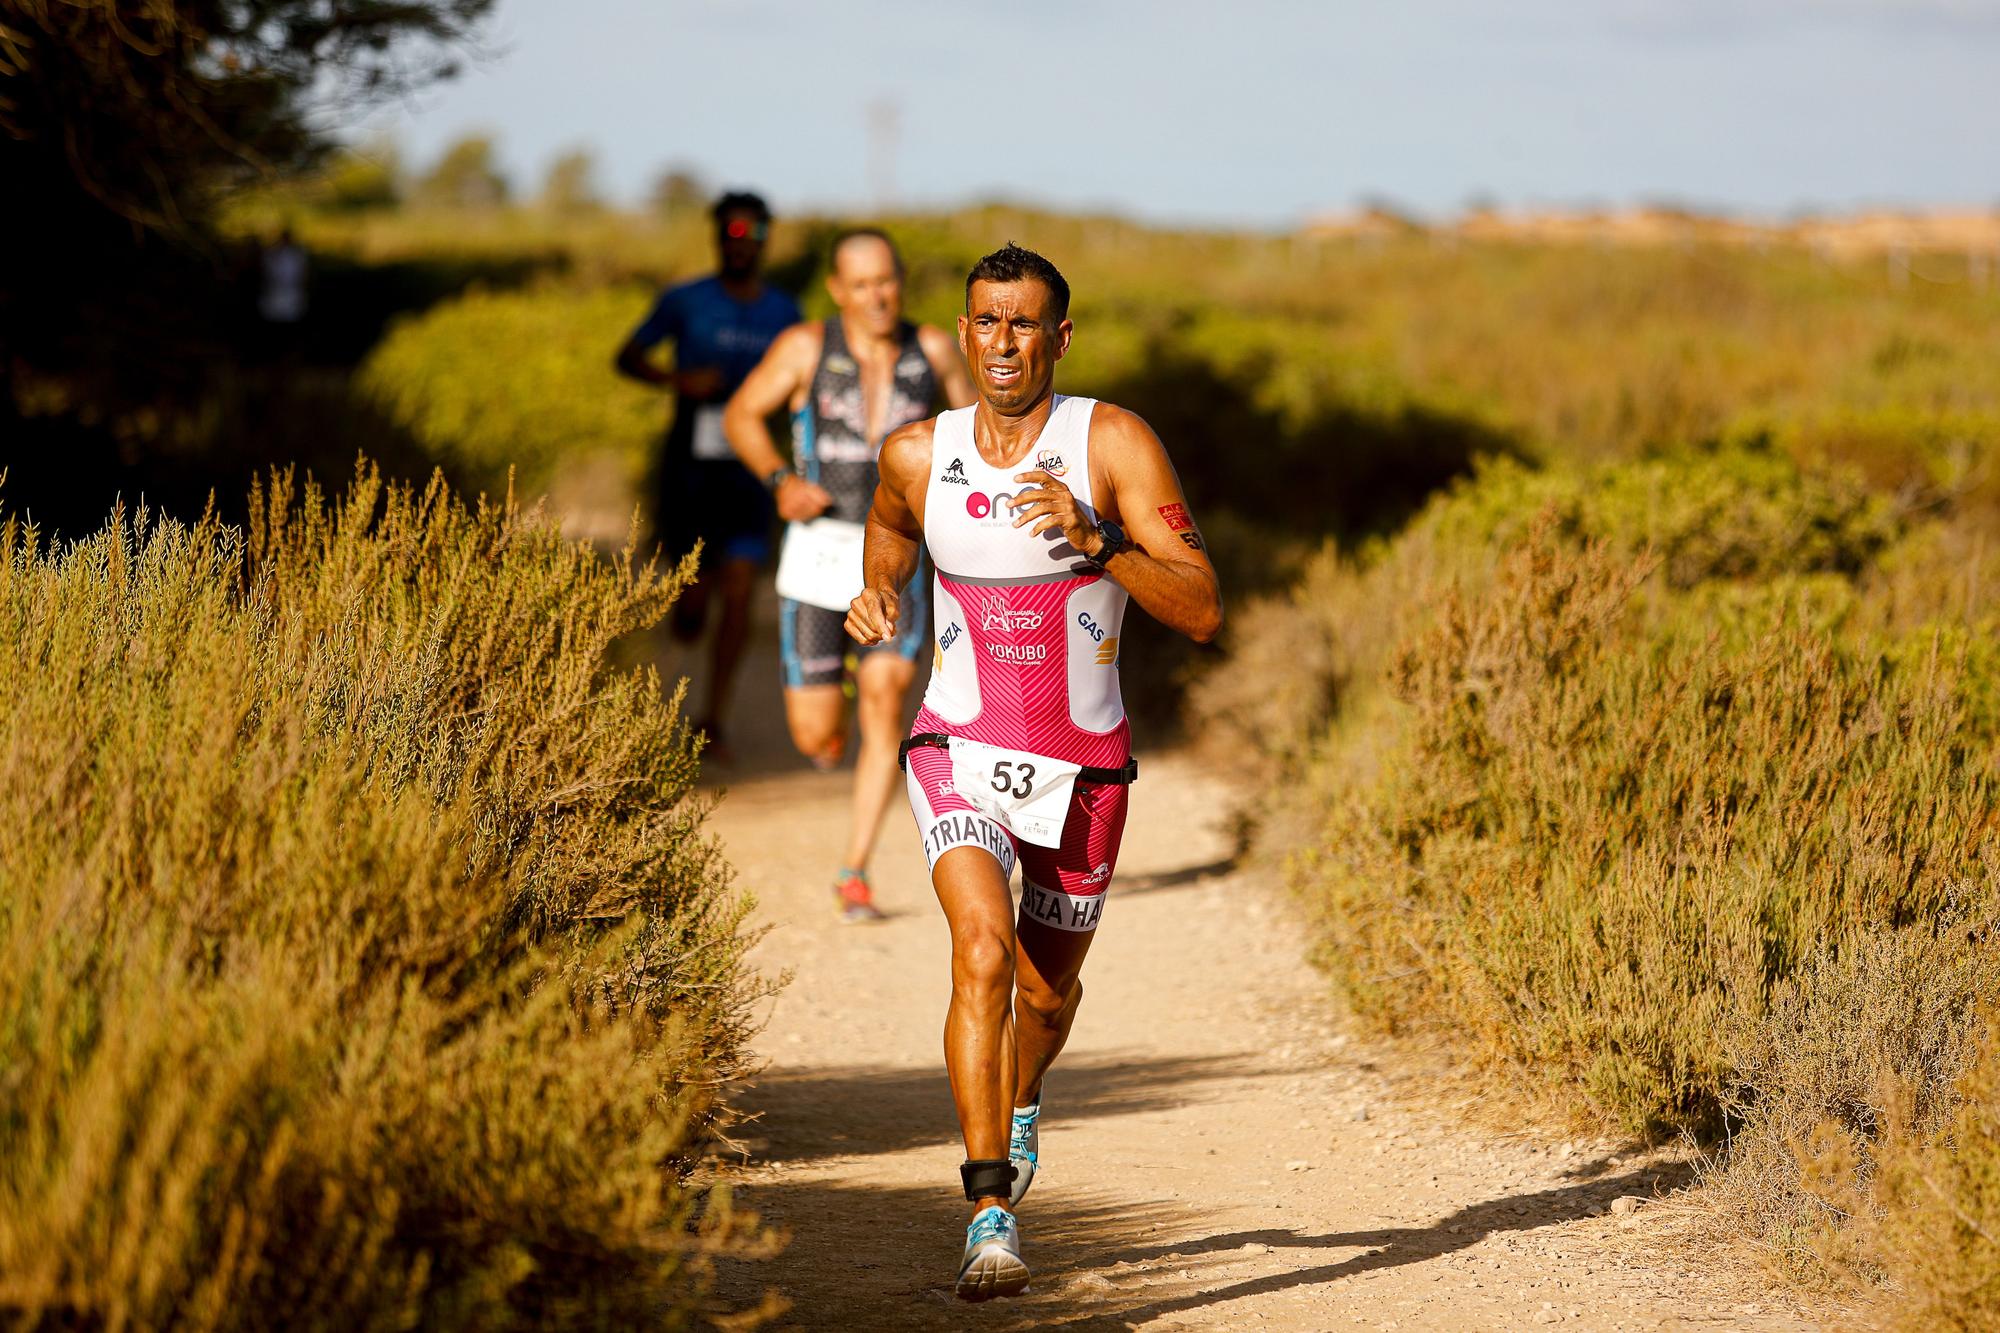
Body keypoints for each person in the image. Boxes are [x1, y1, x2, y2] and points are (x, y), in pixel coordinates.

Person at [845, 244, 1223, 1299]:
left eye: (1023, 325)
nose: (1000, 344)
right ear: (961, 330)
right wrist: (879, 591)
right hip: (956, 747)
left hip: (1084, 769)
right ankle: (987, 1208)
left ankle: (1020, 1103)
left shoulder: (1111, 442)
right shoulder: (919, 453)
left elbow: (1198, 607)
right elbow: (886, 530)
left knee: (1043, 997)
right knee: (979, 947)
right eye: (983, 322)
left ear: (1058, 335)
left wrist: (1098, 539)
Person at [723, 229, 976, 922]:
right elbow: (742, 412)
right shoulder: (805, 347)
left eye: (887, 280)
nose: (877, 296)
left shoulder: (931, 351)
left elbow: (976, 428)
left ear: (901, 280)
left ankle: (854, 867)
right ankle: (825, 722)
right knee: (813, 733)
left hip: (897, 551)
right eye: (861, 284)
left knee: (887, 696)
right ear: (838, 290)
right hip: (819, 549)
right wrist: (779, 480)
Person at [616, 191, 800, 759]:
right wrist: (679, 381)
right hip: (691, 466)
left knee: (741, 586)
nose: (742, 245)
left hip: (753, 466)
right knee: (694, 597)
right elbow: (628, 356)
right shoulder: (685, 301)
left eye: (753, 236)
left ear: (767, 240)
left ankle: (714, 716)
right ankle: (680, 641)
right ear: (718, 238)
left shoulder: (784, 313)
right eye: (732, 235)